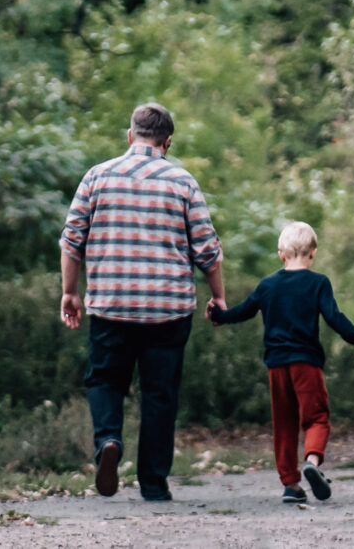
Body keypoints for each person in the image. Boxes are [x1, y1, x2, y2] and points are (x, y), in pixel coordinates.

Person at [60, 102, 225, 503]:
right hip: (168, 309)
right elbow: (207, 249)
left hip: (111, 304)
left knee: (104, 380)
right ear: (167, 142)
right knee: (160, 393)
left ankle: (108, 441)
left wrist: (70, 292)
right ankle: (153, 483)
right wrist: (218, 295)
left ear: (130, 135)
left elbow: (71, 240)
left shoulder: (97, 176)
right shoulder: (183, 182)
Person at [208, 220, 354, 505]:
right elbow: (335, 319)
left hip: (276, 366)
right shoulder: (318, 283)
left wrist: (217, 314)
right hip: (305, 364)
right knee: (317, 418)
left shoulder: (268, 285)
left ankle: (290, 484)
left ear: (281, 254)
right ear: (313, 252)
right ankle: (311, 461)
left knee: (284, 424)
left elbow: (240, 312)